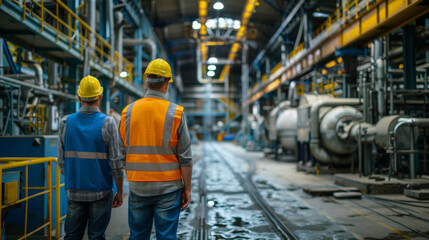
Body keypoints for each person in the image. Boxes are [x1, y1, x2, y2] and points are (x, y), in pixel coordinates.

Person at [118, 59, 193, 240]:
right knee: (166, 237)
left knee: (137, 236)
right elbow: (185, 157)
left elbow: (121, 154)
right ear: (167, 84)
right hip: (168, 188)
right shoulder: (176, 112)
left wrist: (126, 183)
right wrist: (188, 188)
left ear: (146, 82)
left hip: (137, 187)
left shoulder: (127, 111)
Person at [58, 75, 124, 240]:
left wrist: (74, 177)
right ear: (100, 97)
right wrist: (120, 191)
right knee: (96, 236)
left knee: (72, 235)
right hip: (100, 191)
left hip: (74, 189)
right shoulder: (108, 123)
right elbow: (116, 162)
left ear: (79, 97)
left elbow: (61, 161)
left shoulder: (66, 122)